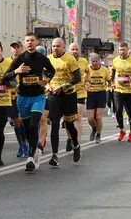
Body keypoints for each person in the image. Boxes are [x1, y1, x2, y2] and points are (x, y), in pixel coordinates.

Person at [3, 33, 55, 171]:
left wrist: (47, 80)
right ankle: (33, 150)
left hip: (38, 96)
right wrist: (17, 71)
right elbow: (5, 77)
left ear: (36, 42)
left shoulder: (42, 58)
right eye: (27, 41)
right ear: (24, 43)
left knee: (34, 125)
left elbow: (51, 71)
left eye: (32, 40)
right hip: (23, 97)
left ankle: (32, 156)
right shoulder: (20, 58)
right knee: (27, 128)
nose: (30, 43)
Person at [46, 38, 81, 167]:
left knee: (69, 124)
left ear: (63, 47)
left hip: (68, 94)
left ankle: (76, 145)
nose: (55, 48)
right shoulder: (48, 59)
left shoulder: (70, 59)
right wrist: (47, 86)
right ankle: (55, 155)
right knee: (54, 123)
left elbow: (77, 78)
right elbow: (44, 76)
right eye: (53, 46)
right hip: (54, 95)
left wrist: (63, 87)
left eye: (58, 46)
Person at [65, 43, 89, 152]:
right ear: (68, 50)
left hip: (80, 92)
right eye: (72, 49)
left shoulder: (83, 61)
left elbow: (88, 71)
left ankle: (77, 141)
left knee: (78, 117)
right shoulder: (64, 59)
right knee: (69, 118)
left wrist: (87, 81)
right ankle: (70, 138)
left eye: (76, 49)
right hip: (68, 91)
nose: (75, 51)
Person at [6, 41, 28, 157]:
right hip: (12, 95)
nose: (15, 49)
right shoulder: (7, 62)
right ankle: (21, 144)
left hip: (24, 94)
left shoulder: (26, 60)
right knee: (16, 121)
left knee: (23, 120)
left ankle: (26, 143)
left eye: (18, 47)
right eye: (13, 47)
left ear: (21, 48)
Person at [112, 42, 131, 142]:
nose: (122, 52)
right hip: (118, 89)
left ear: (127, 50)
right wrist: (111, 82)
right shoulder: (115, 60)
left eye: (124, 50)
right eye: (120, 50)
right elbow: (113, 72)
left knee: (130, 113)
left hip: (130, 90)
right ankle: (122, 130)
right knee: (118, 110)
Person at [87, 54, 111, 143]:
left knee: (98, 117)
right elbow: (84, 80)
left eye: (96, 61)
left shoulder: (104, 70)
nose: (94, 63)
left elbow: (109, 80)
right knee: (90, 118)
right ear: (90, 62)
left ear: (99, 61)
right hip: (90, 94)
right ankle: (94, 128)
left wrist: (111, 85)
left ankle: (98, 135)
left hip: (101, 93)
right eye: (93, 62)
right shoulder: (87, 70)